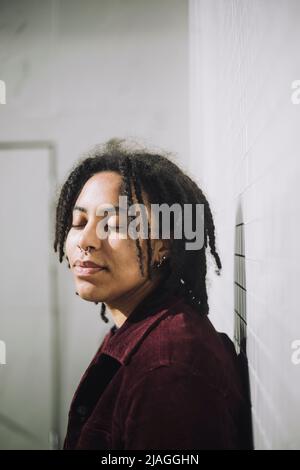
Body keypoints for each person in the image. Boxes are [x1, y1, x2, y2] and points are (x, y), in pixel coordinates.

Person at [53, 138, 250, 450]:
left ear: (164, 245)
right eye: (79, 222)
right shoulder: (136, 332)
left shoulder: (168, 370)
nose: (85, 240)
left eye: (113, 224)